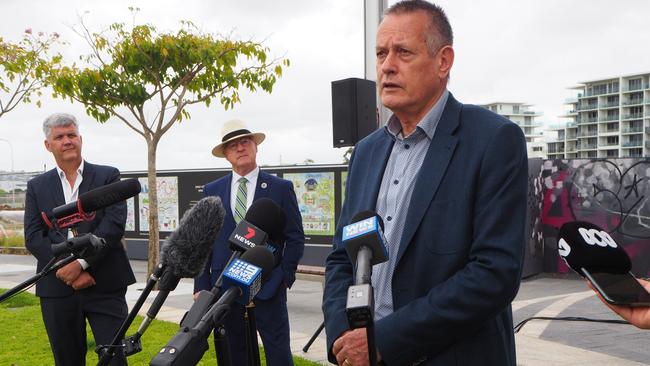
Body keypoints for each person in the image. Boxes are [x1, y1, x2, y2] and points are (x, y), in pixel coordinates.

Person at [322, 1, 528, 365]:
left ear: (443, 60)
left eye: (403, 52)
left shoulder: (494, 140)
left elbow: (493, 275)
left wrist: (383, 341)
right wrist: (343, 334)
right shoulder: (366, 152)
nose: (387, 65)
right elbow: (342, 257)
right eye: (381, 53)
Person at [24, 113, 135, 365]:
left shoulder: (108, 176)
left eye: (71, 135)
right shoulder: (37, 187)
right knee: (67, 360)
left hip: (105, 283)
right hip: (57, 286)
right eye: (59, 137)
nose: (67, 141)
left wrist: (82, 264)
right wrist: (66, 266)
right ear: (48, 145)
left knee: (114, 359)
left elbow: (113, 226)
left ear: (81, 139)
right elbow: (33, 236)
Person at [194, 119, 305, 366]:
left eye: (245, 142)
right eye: (232, 145)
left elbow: (295, 237)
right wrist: (201, 285)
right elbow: (205, 242)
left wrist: (284, 275)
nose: (240, 148)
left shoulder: (280, 188)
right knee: (234, 354)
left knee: (278, 353)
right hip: (224, 286)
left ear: (256, 147)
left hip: (269, 286)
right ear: (225, 155)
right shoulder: (212, 190)